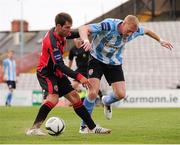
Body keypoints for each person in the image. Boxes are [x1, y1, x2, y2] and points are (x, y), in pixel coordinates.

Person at [78, 15, 173, 132]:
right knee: (92, 93)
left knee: (121, 94)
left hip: (114, 62)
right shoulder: (108, 25)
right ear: (123, 24)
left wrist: (161, 40)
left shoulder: (134, 31)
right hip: (96, 59)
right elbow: (83, 28)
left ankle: (106, 101)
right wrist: (86, 40)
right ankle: (84, 126)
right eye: (128, 31)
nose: (129, 34)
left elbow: (147, 31)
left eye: (132, 32)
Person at [26, 12, 111, 136]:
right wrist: (79, 77)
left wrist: (94, 30)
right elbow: (60, 65)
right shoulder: (52, 42)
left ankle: (92, 127)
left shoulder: (62, 33)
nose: (69, 30)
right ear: (59, 26)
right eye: (67, 27)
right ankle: (34, 129)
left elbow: (79, 32)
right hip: (47, 73)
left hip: (57, 73)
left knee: (75, 98)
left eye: (70, 27)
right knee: (53, 99)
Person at [68, 38, 103, 103]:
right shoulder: (72, 50)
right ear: (74, 40)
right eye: (77, 39)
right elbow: (70, 60)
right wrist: (68, 70)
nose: (78, 40)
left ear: (82, 40)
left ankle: (101, 96)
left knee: (92, 87)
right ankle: (81, 97)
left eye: (80, 39)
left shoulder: (85, 47)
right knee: (73, 85)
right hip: (79, 70)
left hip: (87, 70)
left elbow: (93, 56)